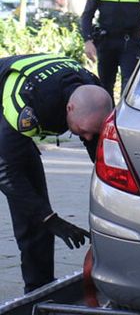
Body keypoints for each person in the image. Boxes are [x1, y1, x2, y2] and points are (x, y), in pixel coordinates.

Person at [0, 54, 113, 293]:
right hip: (8, 117)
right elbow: (6, 172)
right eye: (83, 131)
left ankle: (38, 291)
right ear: (69, 108)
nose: (87, 138)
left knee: (36, 211)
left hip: (17, 121)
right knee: (34, 207)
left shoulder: (92, 91)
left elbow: (99, 151)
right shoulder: (29, 106)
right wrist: (50, 218)